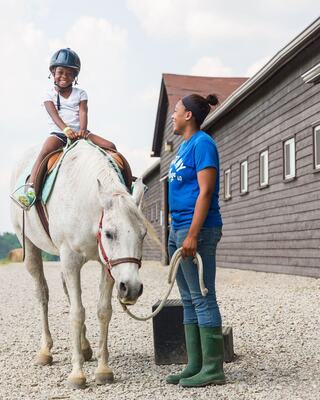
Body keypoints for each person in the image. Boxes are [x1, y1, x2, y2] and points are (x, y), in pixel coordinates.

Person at [166, 93, 225, 388]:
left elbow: (205, 191)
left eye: (176, 111)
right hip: (178, 229)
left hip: (197, 231)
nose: (172, 116)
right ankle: (195, 365)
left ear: (188, 115)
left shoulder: (203, 144)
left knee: (202, 297)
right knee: (189, 300)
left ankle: (213, 369)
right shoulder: (184, 147)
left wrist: (191, 234)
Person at [17, 48, 116, 208]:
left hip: (80, 134)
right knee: (44, 152)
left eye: (70, 74)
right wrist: (65, 130)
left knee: (111, 147)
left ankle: (123, 188)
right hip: (59, 134)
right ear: (53, 73)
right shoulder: (48, 94)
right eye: (60, 72)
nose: (64, 76)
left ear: (75, 77)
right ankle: (31, 191)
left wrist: (82, 130)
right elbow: (53, 114)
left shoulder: (81, 93)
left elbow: (83, 111)